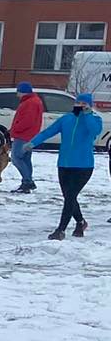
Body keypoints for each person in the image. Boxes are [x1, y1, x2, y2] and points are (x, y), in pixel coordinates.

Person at [30, 91, 104, 239]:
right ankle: (80, 222)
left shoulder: (95, 119)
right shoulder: (66, 119)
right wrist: (32, 143)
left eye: (84, 103)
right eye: (78, 103)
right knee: (69, 197)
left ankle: (61, 230)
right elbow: (48, 132)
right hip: (64, 164)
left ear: (90, 105)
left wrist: (87, 114)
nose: (80, 106)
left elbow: (94, 132)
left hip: (83, 166)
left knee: (70, 196)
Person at [9, 82, 45, 194]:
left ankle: (28, 181)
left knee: (16, 158)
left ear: (23, 92)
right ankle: (27, 183)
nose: (17, 94)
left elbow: (27, 120)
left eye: (18, 91)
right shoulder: (35, 101)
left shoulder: (29, 103)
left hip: (23, 135)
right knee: (25, 159)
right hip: (30, 135)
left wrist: (14, 129)